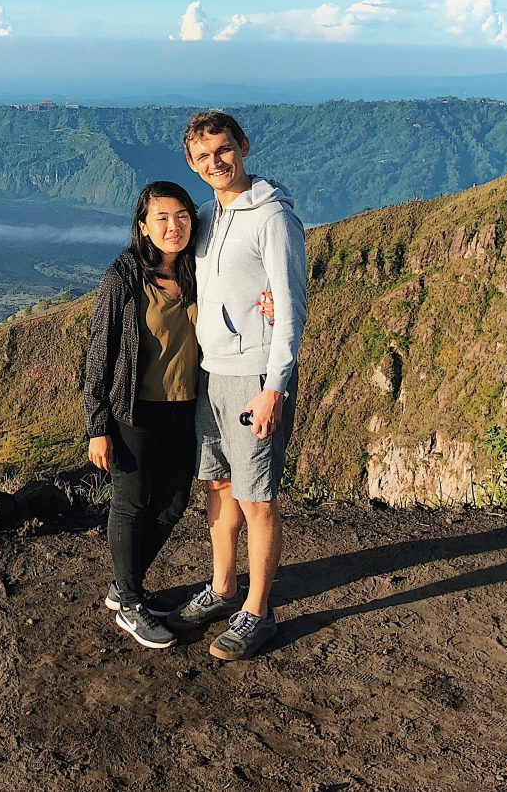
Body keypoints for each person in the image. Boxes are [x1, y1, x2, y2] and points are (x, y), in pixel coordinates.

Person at [83, 180, 272, 650]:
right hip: (134, 410)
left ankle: (124, 584)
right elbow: (97, 353)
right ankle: (129, 600)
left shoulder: (198, 268)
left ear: (194, 220)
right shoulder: (123, 277)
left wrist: (267, 300)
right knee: (131, 503)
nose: (173, 226)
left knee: (169, 507)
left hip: (188, 406)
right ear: (143, 227)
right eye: (161, 218)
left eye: (182, 216)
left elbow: (243, 282)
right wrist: (97, 426)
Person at [167, 110, 307, 662]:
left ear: (243, 146)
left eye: (222, 150)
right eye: (202, 157)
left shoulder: (272, 217)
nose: (215, 162)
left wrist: (274, 386)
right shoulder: (205, 216)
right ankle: (223, 588)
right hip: (210, 373)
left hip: (253, 378)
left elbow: (292, 307)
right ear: (191, 164)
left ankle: (258, 610)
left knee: (257, 497)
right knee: (219, 486)